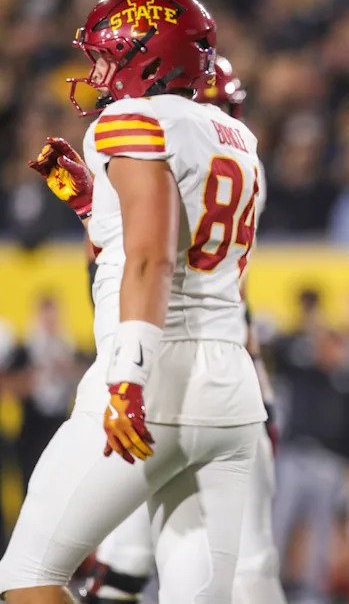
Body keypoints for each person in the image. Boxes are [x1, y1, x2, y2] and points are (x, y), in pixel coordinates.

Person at [0, 0, 266, 604]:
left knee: (28, 575)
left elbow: (150, 257)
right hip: (229, 390)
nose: (94, 72)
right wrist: (95, 203)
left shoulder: (132, 119)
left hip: (155, 374)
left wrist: (129, 378)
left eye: (103, 55)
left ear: (145, 54)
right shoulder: (235, 136)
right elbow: (170, 239)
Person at [74, 56, 285, 604]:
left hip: (152, 382)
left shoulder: (157, 144)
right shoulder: (246, 160)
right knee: (246, 565)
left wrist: (93, 209)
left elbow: (141, 266)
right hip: (230, 383)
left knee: (111, 564)